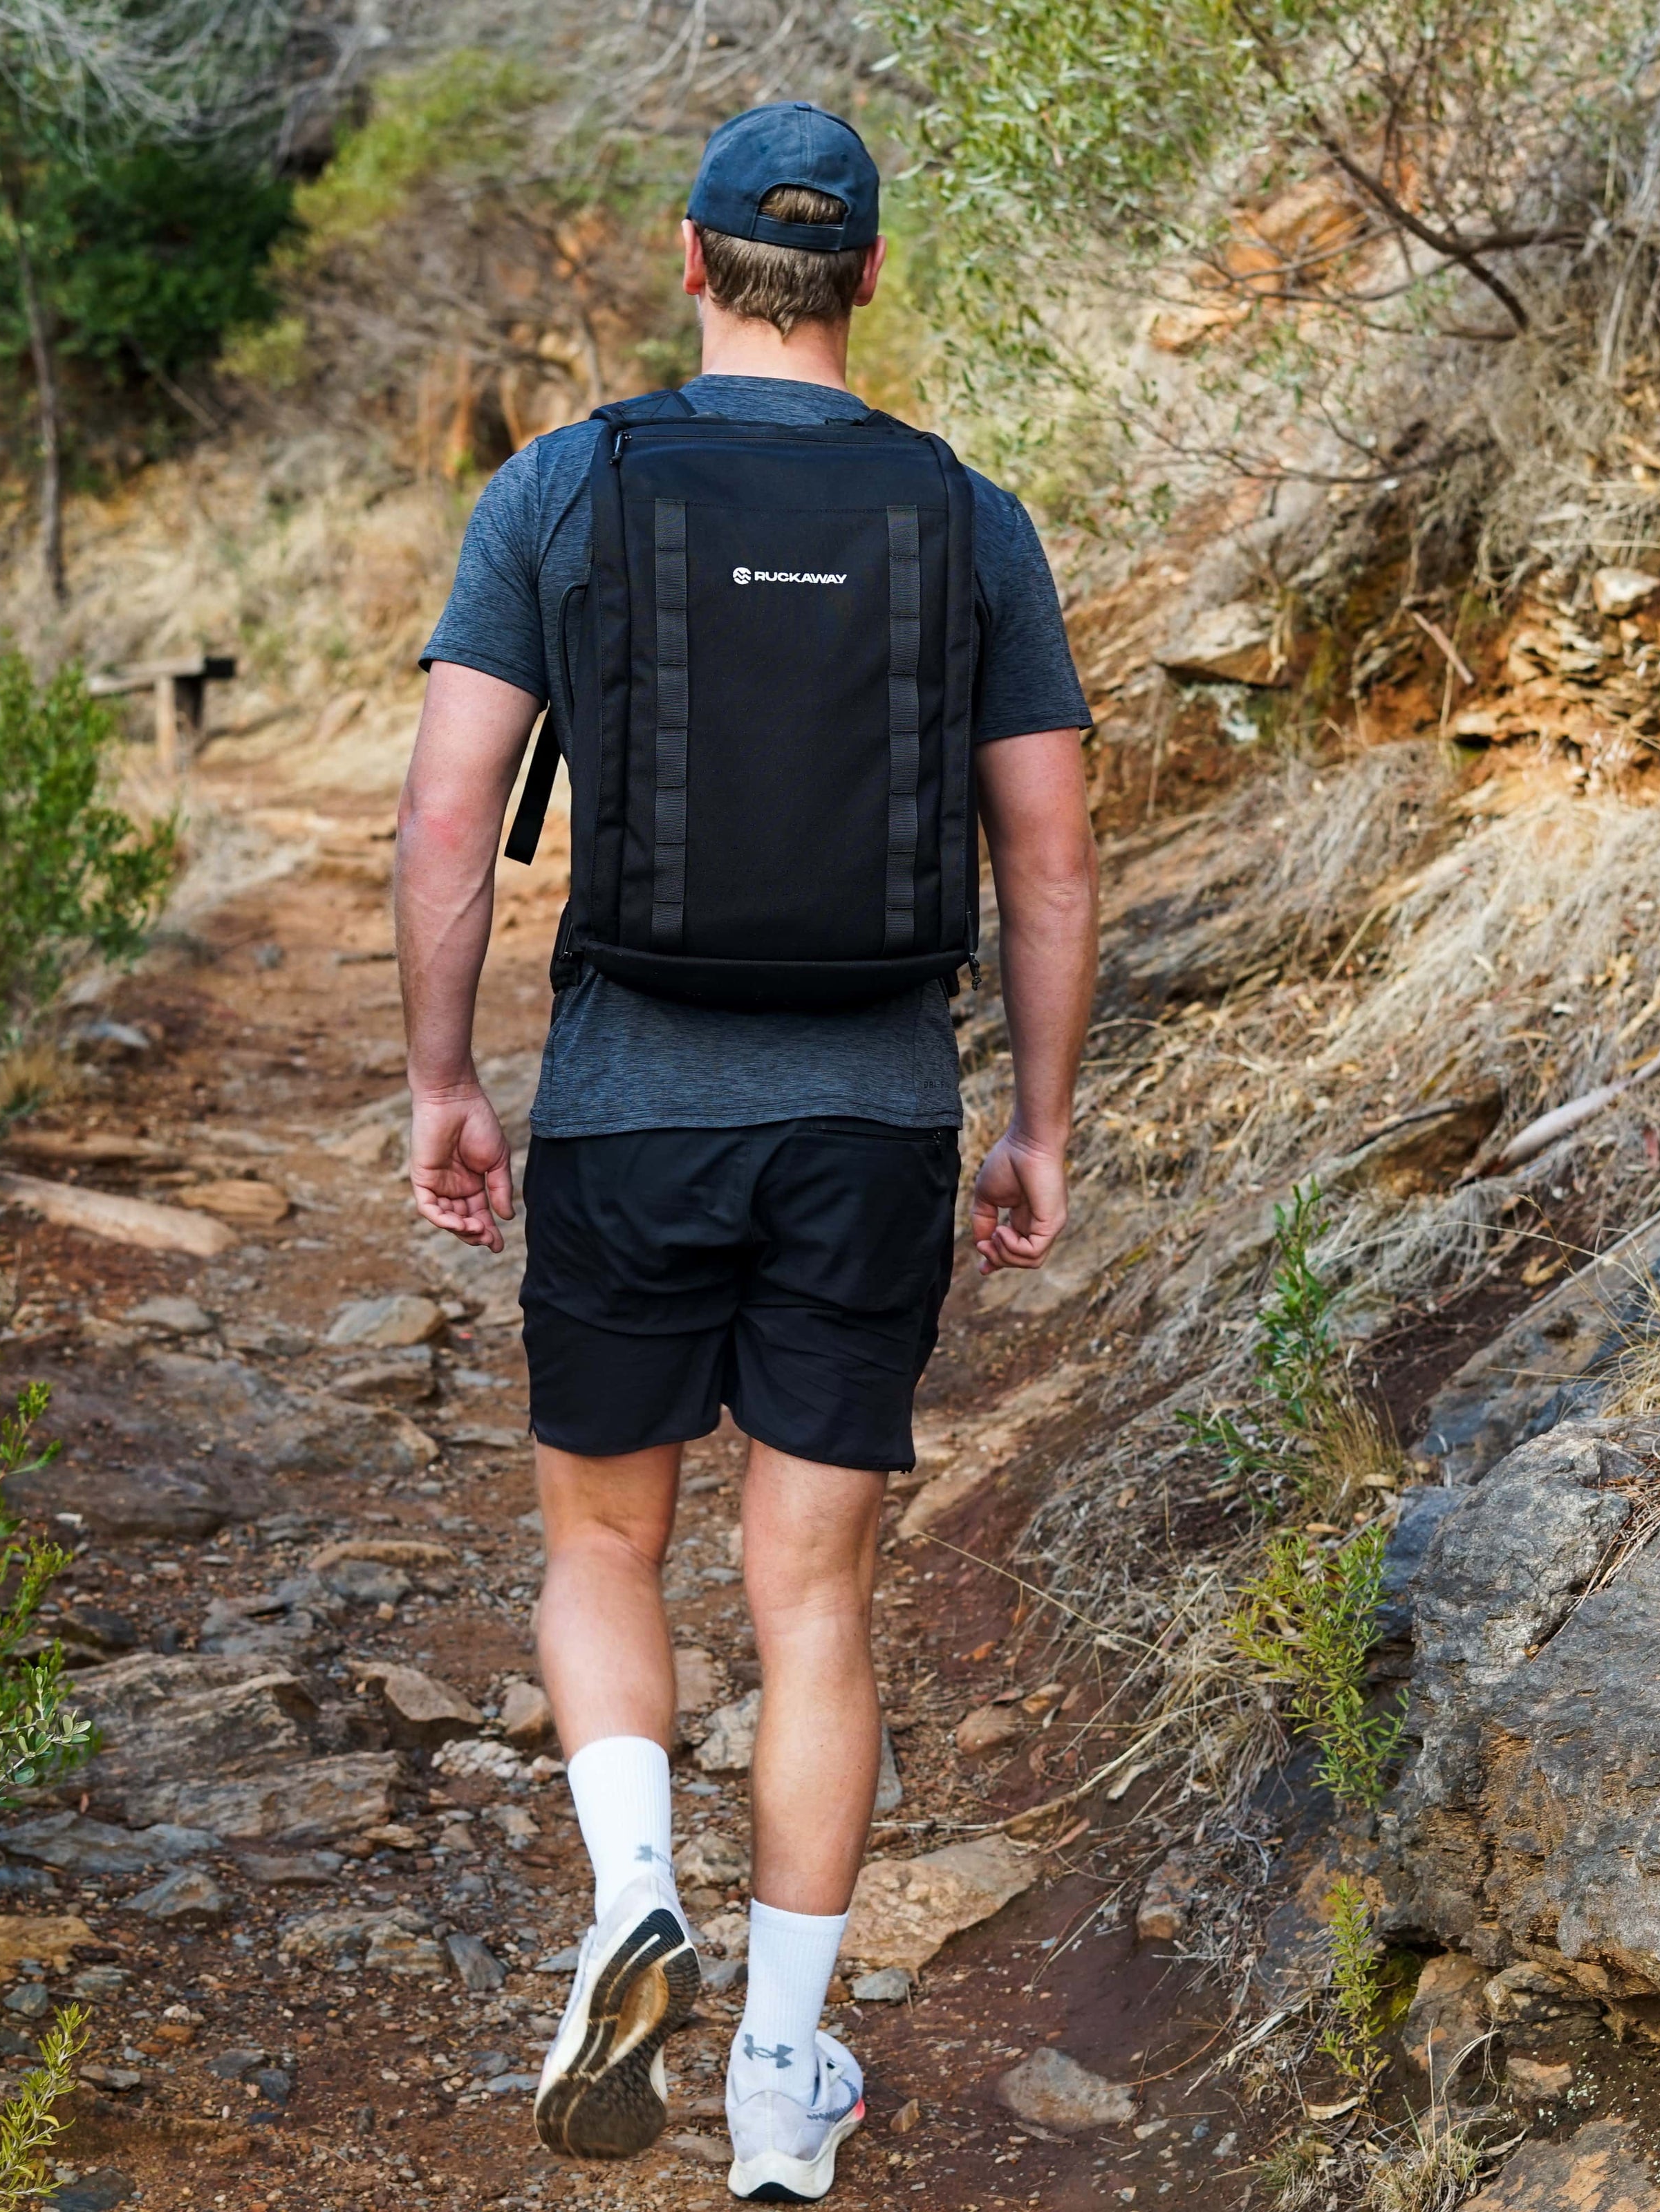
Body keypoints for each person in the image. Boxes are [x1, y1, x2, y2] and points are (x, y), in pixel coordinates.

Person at [396, 100, 1098, 2203]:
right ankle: (782, 2079)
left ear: (689, 262)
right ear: (867, 277)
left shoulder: (567, 487)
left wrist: (445, 1079)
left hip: (627, 1111)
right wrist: (1042, 1120)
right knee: (816, 1603)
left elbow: (449, 818)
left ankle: (630, 1897)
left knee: (603, 1549)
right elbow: (1046, 849)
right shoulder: (970, 519)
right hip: (872, 1118)